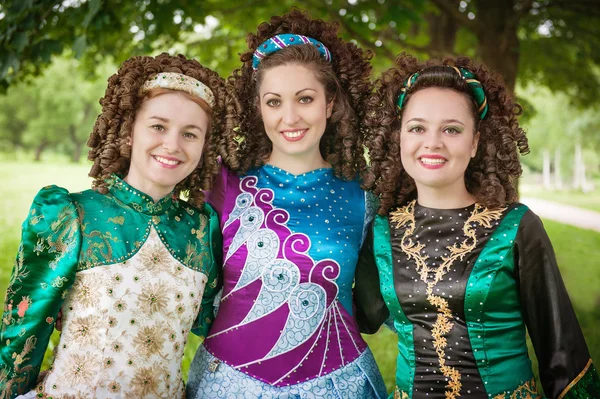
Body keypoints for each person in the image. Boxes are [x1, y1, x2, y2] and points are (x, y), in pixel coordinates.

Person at [355, 53, 600, 399]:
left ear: (474, 142)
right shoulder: (380, 231)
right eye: (417, 128)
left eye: (451, 129)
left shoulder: (517, 227)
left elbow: (562, 353)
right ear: (399, 139)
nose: (433, 142)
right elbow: (359, 317)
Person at [0, 53, 238, 399]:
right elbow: (24, 332)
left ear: (205, 146)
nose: (172, 145)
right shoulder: (73, 215)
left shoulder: (200, 228)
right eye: (158, 126)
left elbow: (210, 321)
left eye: (190, 134)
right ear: (129, 130)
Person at [186, 9, 388, 399]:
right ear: (257, 107)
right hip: (226, 385)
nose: (290, 117)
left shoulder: (364, 196)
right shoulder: (220, 184)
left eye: (305, 99)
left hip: (339, 386)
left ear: (330, 103)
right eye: (274, 102)